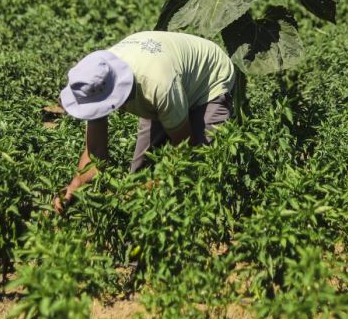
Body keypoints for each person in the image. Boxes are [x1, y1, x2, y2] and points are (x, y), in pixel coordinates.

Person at [53, 31, 238, 213]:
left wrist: (145, 190)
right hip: (169, 73)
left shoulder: (157, 86)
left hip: (209, 80)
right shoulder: (94, 82)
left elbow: (183, 147)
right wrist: (76, 185)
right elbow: (96, 154)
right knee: (140, 174)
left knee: (199, 168)